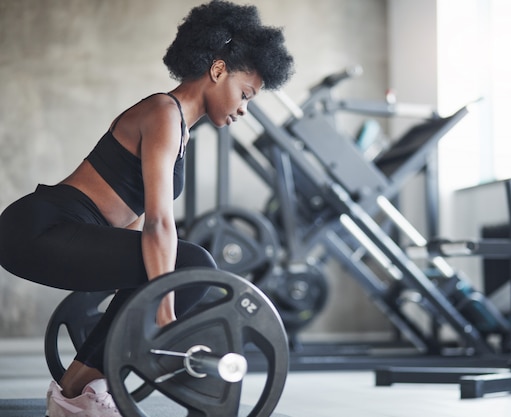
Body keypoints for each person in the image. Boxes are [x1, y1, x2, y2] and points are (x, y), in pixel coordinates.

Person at [0, 1, 294, 416]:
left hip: (61, 229)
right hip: (40, 227)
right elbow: (158, 222)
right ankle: (73, 394)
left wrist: (139, 294)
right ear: (217, 69)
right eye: (245, 93)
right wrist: (165, 311)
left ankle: (78, 392)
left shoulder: (179, 129)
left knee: (173, 266)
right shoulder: (163, 113)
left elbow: (134, 222)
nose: (244, 108)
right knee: (193, 262)